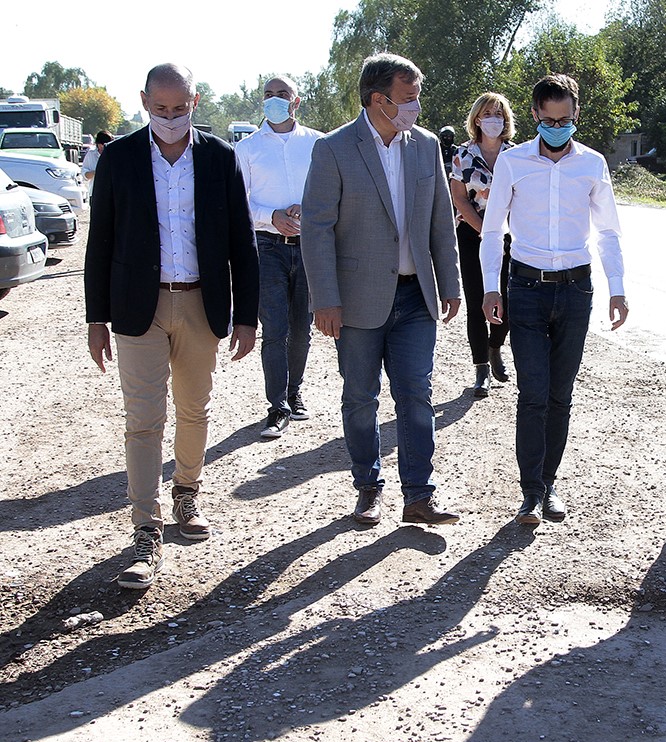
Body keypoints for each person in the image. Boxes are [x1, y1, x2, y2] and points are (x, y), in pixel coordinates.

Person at [84, 64, 258, 590]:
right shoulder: (119, 158)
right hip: (138, 307)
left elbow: (242, 241)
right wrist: (96, 319)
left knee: (194, 408)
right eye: (160, 109)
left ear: (194, 102)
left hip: (201, 303)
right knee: (143, 419)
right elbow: (100, 241)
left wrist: (246, 316)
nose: (170, 117)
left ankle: (187, 492)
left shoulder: (220, 157)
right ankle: (146, 527)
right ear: (144, 101)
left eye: (179, 108)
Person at [302, 53, 462, 528]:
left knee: (416, 394)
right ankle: (368, 487)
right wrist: (325, 299)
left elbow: (440, 221)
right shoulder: (333, 149)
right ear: (378, 100)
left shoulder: (425, 146)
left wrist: (450, 282)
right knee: (360, 397)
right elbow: (316, 229)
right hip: (356, 300)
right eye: (408, 99)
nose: (416, 108)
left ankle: (419, 495)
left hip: (415, 297)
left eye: (417, 98)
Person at [481, 73, 628, 526]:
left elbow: (608, 231)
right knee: (533, 394)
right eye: (549, 121)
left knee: (560, 395)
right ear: (534, 116)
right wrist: (490, 287)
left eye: (565, 120)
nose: (558, 128)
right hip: (526, 290)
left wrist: (618, 287)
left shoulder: (592, 165)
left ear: (576, 114)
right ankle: (529, 493)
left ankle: (549, 484)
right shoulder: (513, 162)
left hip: (576, 290)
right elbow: (492, 229)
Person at [235, 76, 322, 439]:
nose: (274, 100)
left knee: (301, 327)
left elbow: (329, 191)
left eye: (282, 94)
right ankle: (277, 407)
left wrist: (308, 209)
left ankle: (294, 391)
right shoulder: (247, 148)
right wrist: (270, 216)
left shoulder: (317, 143)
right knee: (274, 328)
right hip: (267, 247)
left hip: (309, 246)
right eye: (268, 95)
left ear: (295, 101)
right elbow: (239, 201)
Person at [449, 92, 515, 398]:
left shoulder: (517, 154)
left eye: (498, 114)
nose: (493, 120)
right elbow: (459, 197)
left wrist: (502, 233)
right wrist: (486, 230)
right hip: (472, 233)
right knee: (477, 301)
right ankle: (481, 369)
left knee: (508, 299)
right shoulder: (462, 154)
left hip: (510, 236)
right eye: (487, 114)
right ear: (477, 119)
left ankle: (494, 347)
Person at [81, 130, 113, 198]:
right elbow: (84, 175)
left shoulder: (115, 155)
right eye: (101, 145)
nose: (103, 147)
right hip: (95, 193)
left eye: (106, 145)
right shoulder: (91, 154)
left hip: (112, 194)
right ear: (97, 144)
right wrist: (96, 172)